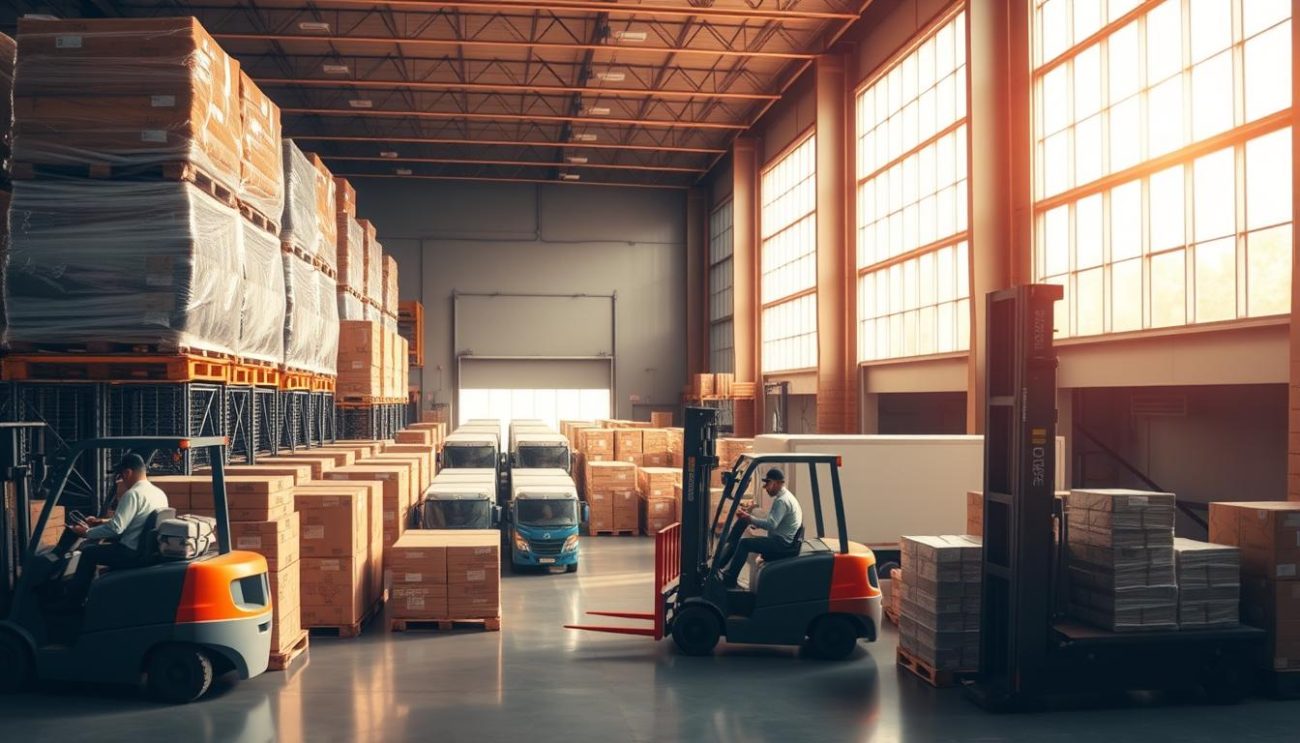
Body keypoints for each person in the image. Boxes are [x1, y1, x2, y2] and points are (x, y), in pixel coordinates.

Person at [65, 453, 169, 604]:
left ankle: (74, 602)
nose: (122, 480)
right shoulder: (159, 493)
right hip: (145, 549)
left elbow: (116, 529)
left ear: (128, 472)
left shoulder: (133, 494)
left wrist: (87, 533)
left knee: (88, 553)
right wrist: (101, 522)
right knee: (100, 547)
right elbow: (138, 519)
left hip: (130, 552)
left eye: (121, 475)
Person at [720, 467, 803, 588]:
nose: (765, 487)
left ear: (774, 482)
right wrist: (752, 521)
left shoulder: (781, 501)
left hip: (780, 543)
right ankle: (727, 572)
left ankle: (729, 579)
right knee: (746, 541)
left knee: (744, 544)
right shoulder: (786, 497)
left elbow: (771, 524)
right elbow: (774, 521)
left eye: (767, 483)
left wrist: (749, 518)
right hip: (782, 540)